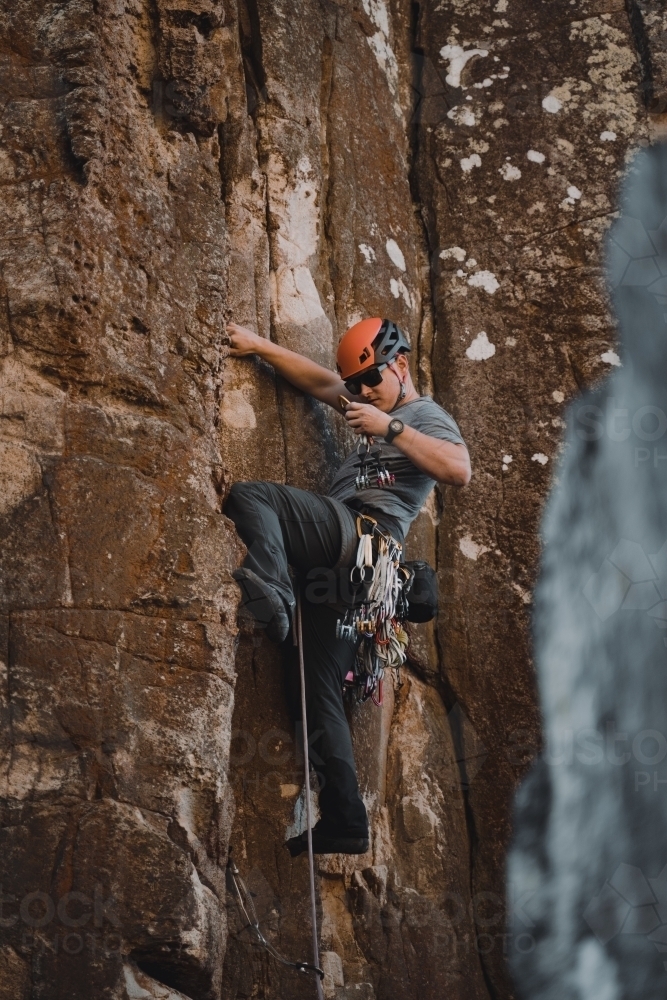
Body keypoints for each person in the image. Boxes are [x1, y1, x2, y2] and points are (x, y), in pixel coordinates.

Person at [223, 317, 471, 857]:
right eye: (355, 384)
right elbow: (319, 383)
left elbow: (459, 468)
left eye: (371, 380)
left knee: (252, 498)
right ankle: (345, 818)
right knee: (311, 696)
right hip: (345, 585)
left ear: (400, 365)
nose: (361, 392)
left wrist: (392, 429)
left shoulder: (420, 416)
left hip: (364, 538)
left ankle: (273, 589)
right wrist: (259, 345)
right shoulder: (365, 399)